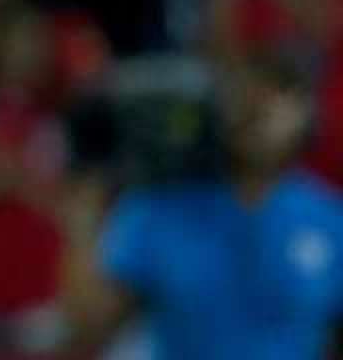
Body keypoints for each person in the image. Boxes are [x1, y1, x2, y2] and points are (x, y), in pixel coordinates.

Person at [64, 52, 343, 358]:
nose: (259, 109)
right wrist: (85, 214)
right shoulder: (157, 205)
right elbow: (90, 323)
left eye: (278, 94)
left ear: (307, 115)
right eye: (246, 93)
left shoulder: (329, 217)